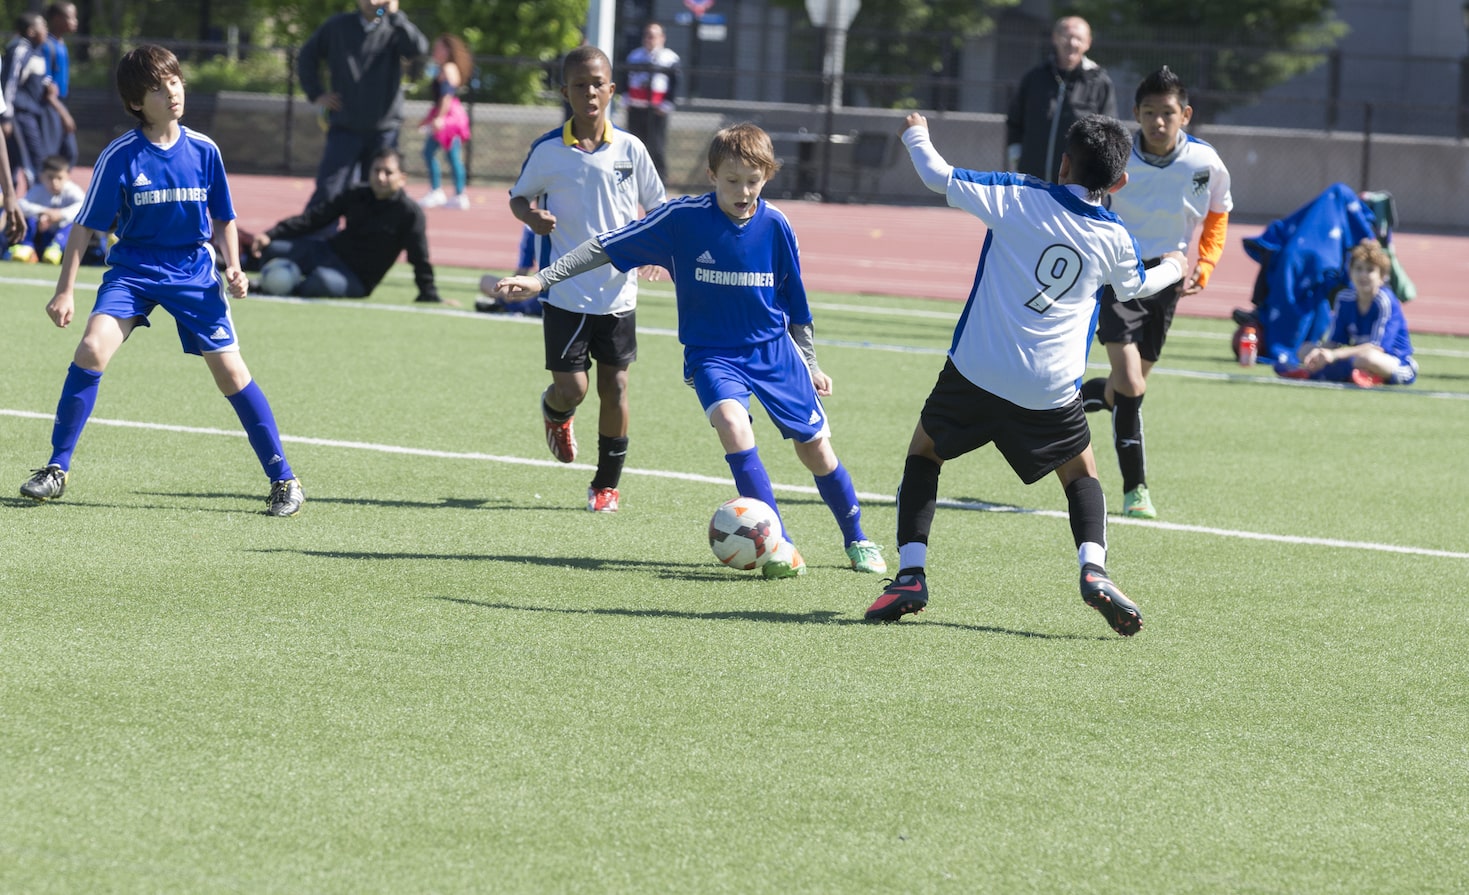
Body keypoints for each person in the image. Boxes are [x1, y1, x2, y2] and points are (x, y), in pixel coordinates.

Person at [493, 122, 887, 579]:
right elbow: (605, 246)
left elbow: (796, 307)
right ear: (711, 175)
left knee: (816, 450)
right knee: (731, 424)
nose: (743, 191)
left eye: (753, 181)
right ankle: (778, 542)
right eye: (732, 181)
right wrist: (540, 278)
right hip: (713, 355)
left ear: (767, 177)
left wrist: (812, 363)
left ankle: (857, 536)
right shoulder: (682, 220)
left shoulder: (777, 227)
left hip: (774, 353)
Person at [864, 111, 1186, 632]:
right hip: (1050, 389)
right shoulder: (1114, 237)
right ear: (1119, 182)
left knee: (924, 454)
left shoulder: (1016, 194)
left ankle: (910, 573)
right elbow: (1136, 288)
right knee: (1082, 474)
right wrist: (1176, 264)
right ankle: (1094, 570)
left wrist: (914, 132)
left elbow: (935, 173)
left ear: (1063, 164)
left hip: (975, 371)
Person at [19, 45, 304, 517]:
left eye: (174, 81)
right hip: (133, 271)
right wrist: (64, 290)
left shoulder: (205, 150)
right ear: (136, 103)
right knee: (91, 349)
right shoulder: (121, 156)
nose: (171, 92)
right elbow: (84, 226)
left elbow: (224, 218)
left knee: (232, 374)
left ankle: (284, 479)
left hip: (193, 272)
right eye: (156, 87)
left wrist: (233, 265)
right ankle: (56, 468)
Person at [491, 45, 665, 514]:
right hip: (563, 290)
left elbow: (659, 209)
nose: (590, 91)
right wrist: (530, 216)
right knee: (574, 389)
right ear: (565, 91)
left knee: (616, 387)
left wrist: (656, 253)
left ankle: (606, 484)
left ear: (611, 89)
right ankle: (556, 411)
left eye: (598, 83)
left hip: (618, 293)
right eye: (579, 84)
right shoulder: (549, 150)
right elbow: (517, 197)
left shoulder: (632, 149)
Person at [1076, 66, 1233, 520]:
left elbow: (1217, 215)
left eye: (1168, 113)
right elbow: (1086, 201)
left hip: (1169, 277)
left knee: (1128, 387)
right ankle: (1135, 489)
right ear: (1135, 114)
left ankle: (1067, 405)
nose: (1158, 122)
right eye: (1149, 113)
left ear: (1185, 114)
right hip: (1119, 274)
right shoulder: (1118, 156)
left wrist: (1204, 264)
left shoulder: (1206, 162)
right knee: (1130, 383)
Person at [249, 146, 442, 303]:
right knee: (274, 248)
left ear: (402, 178)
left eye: (388, 172)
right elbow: (315, 218)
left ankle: (273, 286)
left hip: (356, 278)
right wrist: (272, 233)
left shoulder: (410, 213)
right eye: (376, 171)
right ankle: (263, 280)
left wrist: (428, 292)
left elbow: (419, 257)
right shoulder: (357, 193)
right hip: (328, 253)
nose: (381, 177)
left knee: (319, 283)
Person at [296, 0, 429, 214]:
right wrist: (317, 94)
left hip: (383, 131)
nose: (372, 2)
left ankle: (369, 244)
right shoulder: (337, 26)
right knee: (330, 189)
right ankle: (316, 242)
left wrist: (396, 16)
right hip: (345, 127)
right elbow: (306, 57)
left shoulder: (394, 28)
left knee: (380, 192)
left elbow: (418, 48)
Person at [1278, 239, 1417, 387]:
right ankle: (1340, 373)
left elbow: (1376, 347)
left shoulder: (1384, 301)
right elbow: (1335, 342)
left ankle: (1325, 374)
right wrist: (1319, 353)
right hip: (1356, 356)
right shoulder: (1344, 299)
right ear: (1350, 272)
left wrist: (1333, 355)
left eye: (1370, 270)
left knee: (1367, 358)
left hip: (1394, 362)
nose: (1363, 275)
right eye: (1358, 268)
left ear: (1382, 277)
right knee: (1305, 349)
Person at [1004, 15, 1116, 182]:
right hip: (1031, 180)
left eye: (1078, 38)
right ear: (1054, 38)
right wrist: (1016, 156)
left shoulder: (1099, 82)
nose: (1072, 43)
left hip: (1075, 184)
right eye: (1066, 36)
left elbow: (1109, 132)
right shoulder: (1034, 77)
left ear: (1088, 43)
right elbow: (1015, 122)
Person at [2, 12, 63, 193]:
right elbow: (9, 83)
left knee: (15, 160)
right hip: (19, 116)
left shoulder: (36, 51)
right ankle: (34, 206)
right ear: (30, 31)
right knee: (32, 160)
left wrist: (47, 86)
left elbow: (32, 78)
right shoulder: (19, 49)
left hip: (30, 114)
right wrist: (5, 117)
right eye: (42, 26)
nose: (46, 30)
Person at [417, 33, 472, 210]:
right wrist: (428, 119)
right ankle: (453, 193)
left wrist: (439, 118)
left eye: (439, 47)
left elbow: (446, 96)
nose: (435, 51)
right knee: (445, 154)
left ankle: (445, 192)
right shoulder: (442, 68)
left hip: (450, 117)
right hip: (447, 115)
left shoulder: (448, 68)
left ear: (448, 50)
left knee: (435, 153)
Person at [623, 22, 680, 181]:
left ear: (662, 38)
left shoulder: (670, 58)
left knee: (657, 147)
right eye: (646, 35)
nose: (649, 39)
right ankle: (632, 181)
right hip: (636, 107)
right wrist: (626, 97)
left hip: (657, 110)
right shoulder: (634, 56)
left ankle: (659, 182)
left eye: (653, 35)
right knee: (633, 145)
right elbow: (625, 78)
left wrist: (667, 104)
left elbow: (675, 83)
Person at [11, 153, 82, 263]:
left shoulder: (72, 190)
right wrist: (44, 213)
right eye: (50, 177)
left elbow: (82, 206)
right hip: (42, 233)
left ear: (68, 176)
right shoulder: (38, 190)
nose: (54, 182)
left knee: (75, 224)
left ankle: (55, 248)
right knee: (29, 220)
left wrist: (60, 215)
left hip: (63, 235)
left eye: (59, 178)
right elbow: (21, 205)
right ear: (41, 176)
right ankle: (26, 247)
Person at [41, 2, 76, 165]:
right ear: (56, 19)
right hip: (51, 106)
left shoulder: (61, 44)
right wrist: (63, 114)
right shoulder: (47, 46)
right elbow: (47, 85)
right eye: (70, 17)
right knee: (50, 155)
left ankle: (58, 189)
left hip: (60, 103)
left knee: (70, 154)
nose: (75, 21)